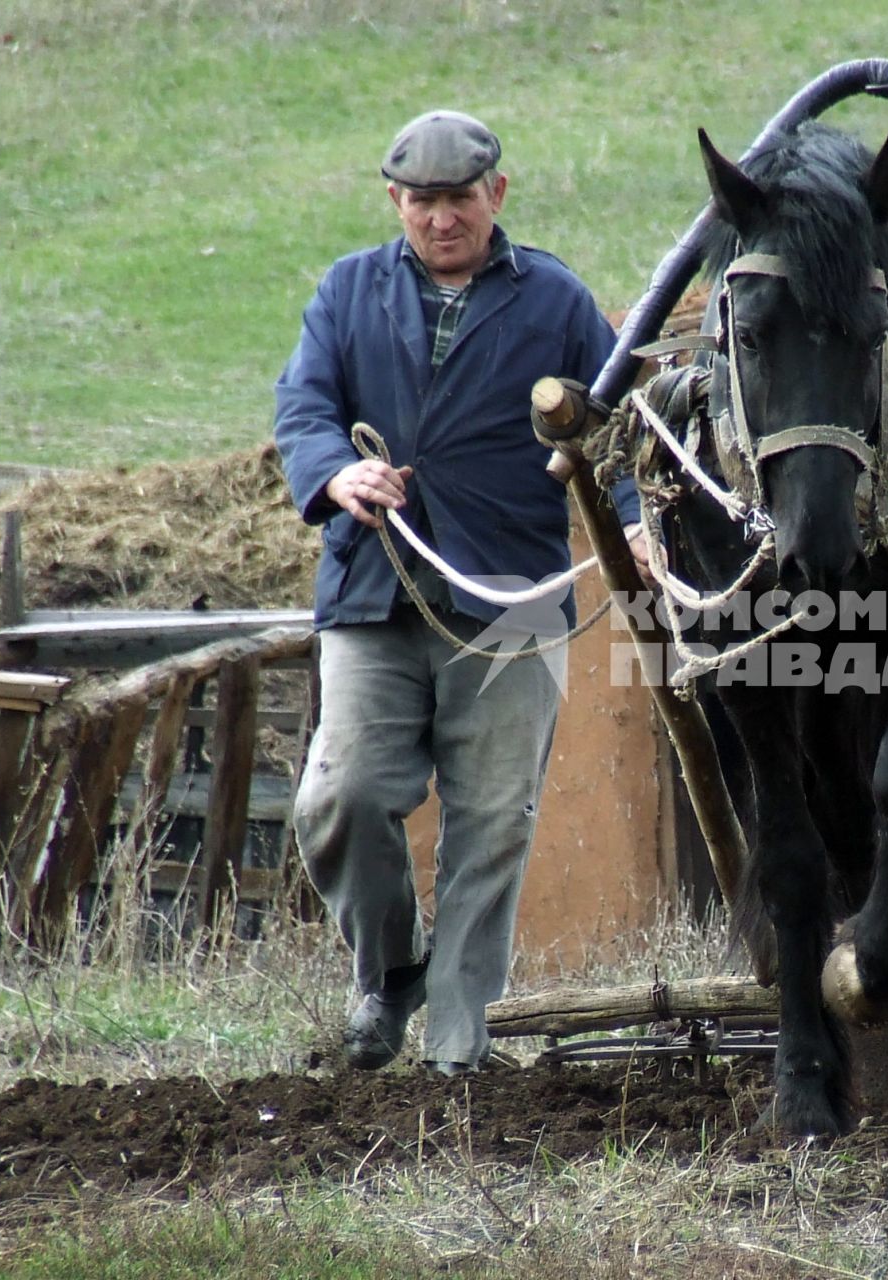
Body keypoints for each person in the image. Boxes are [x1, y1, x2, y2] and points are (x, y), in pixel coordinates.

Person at [274, 109, 638, 1077]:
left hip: (512, 595)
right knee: (339, 796)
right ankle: (390, 969)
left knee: (490, 824)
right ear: (395, 202)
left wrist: (636, 519)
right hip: (372, 587)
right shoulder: (347, 292)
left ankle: (458, 1047)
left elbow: (610, 424)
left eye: (460, 199)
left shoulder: (555, 299)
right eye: (423, 201)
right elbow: (304, 406)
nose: (442, 218)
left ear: (497, 196)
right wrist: (333, 476)